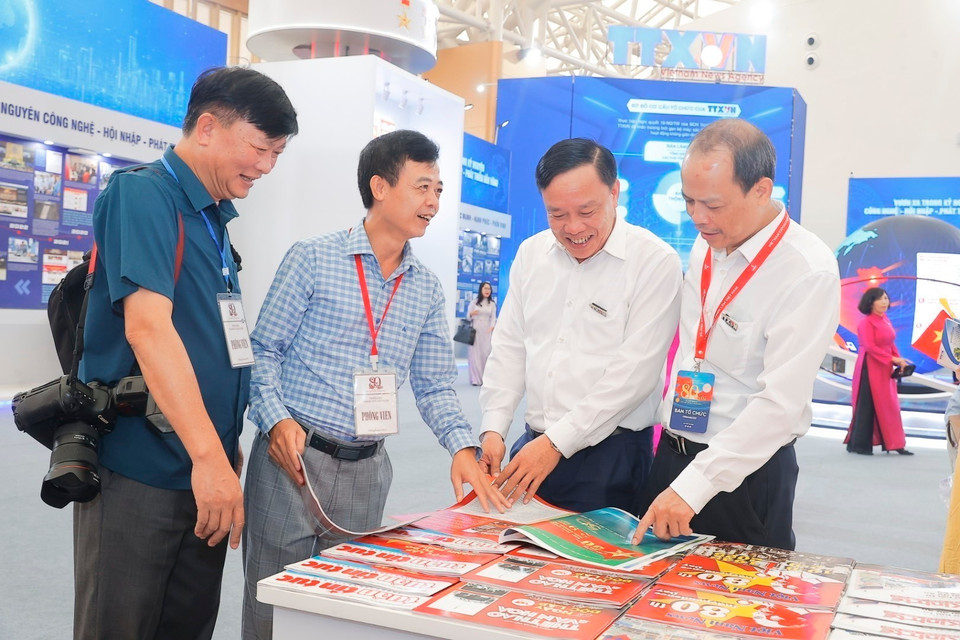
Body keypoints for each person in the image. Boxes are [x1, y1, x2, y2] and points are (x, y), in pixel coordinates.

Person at [242, 129, 508, 640]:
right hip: (293, 461)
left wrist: (462, 447)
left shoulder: (426, 287)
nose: (433, 202)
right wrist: (275, 421)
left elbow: (434, 385)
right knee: (270, 611)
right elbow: (264, 351)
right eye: (422, 187)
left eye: (438, 190)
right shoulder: (313, 258)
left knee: (343, 615)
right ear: (380, 187)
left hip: (368, 471)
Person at [75, 67, 298, 639]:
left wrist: (221, 447)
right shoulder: (144, 194)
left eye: (276, 154)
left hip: (203, 467)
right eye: (259, 149)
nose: (266, 167)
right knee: (121, 626)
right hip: (143, 468)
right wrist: (208, 457)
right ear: (207, 128)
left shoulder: (213, 216)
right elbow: (148, 330)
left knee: (187, 626)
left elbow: (211, 336)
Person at [633, 118, 840, 551]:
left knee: (738, 592)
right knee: (655, 586)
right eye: (688, 201)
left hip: (744, 477)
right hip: (673, 456)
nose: (697, 218)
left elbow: (780, 406)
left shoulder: (806, 271)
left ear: (761, 190)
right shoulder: (707, 242)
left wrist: (696, 485)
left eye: (712, 204)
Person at [478, 138, 683, 513]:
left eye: (587, 211)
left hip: (611, 458)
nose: (573, 228)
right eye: (556, 214)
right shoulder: (532, 254)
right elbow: (510, 348)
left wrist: (557, 443)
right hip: (533, 447)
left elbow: (633, 376)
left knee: (598, 554)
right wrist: (494, 427)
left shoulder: (654, 261)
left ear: (614, 192)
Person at [843, 287, 913, 456]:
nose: (884, 302)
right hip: (869, 366)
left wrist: (898, 359)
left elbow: (890, 343)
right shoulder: (866, 323)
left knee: (890, 404)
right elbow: (870, 347)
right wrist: (892, 359)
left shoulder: (885, 320)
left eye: (886, 298)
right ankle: (861, 444)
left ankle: (895, 442)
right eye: (880, 299)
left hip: (884, 366)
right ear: (870, 302)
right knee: (867, 405)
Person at [467, 281, 497, 385]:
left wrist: (492, 327)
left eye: (489, 289)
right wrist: (471, 314)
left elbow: (493, 318)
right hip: (475, 329)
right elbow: (468, 316)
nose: (487, 291)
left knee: (485, 353)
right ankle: (475, 379)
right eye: (485, 288)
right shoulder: (474, 302)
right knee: (475, 355)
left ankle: (485, 378)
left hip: (486, 330)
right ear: (481, 289)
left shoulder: (492, 304)